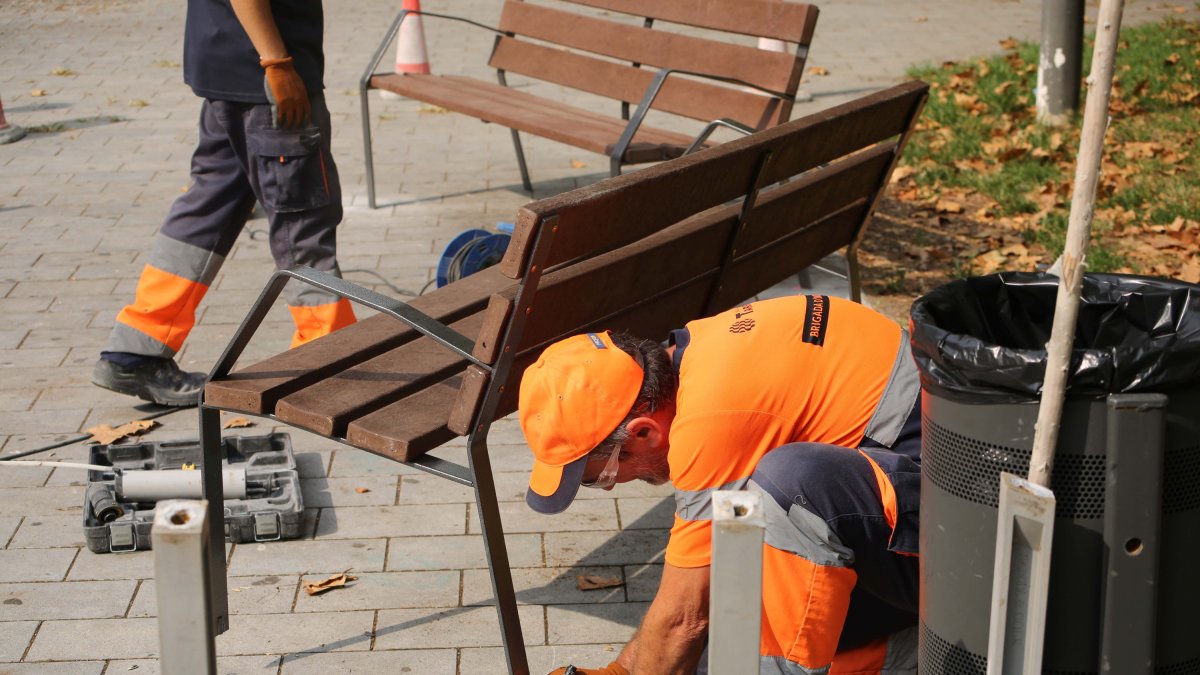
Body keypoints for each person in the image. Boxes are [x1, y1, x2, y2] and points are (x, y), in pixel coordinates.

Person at [519, 295, 921, 675]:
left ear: (643, 433)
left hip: (963, 545)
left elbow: (683, 617)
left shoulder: (711, 424)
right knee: (737, 558)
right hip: (919, 505)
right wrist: (625, 668)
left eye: (599, 477)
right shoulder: (704, 353)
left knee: (738, 619)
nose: (611, 487)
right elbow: (716, 576)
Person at [92, 0, 355, 406]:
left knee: (209, 208)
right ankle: (328, 364)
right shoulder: (275, 67)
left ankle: (135, 350)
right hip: (269, 77)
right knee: (303, 222)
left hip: (230, 67)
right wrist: (277, 64)